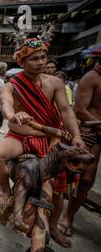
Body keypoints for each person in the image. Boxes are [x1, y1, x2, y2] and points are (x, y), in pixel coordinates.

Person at [0, 25, 85, 247]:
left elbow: (65, 111)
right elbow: (6, 105)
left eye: (43, 57)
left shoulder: (55, 83)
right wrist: (13, 116)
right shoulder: (11, 85)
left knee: (58, 189)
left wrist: (77, 136)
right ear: (21, 63)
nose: (40, 62)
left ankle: (52, 227)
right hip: (21, 138)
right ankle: (6, 192)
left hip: (50, 138)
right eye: (34, 59)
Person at [59, 61, 101, 238]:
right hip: (90, 131)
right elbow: (79, 110)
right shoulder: (92, 78)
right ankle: (67, 217)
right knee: (85, 177)